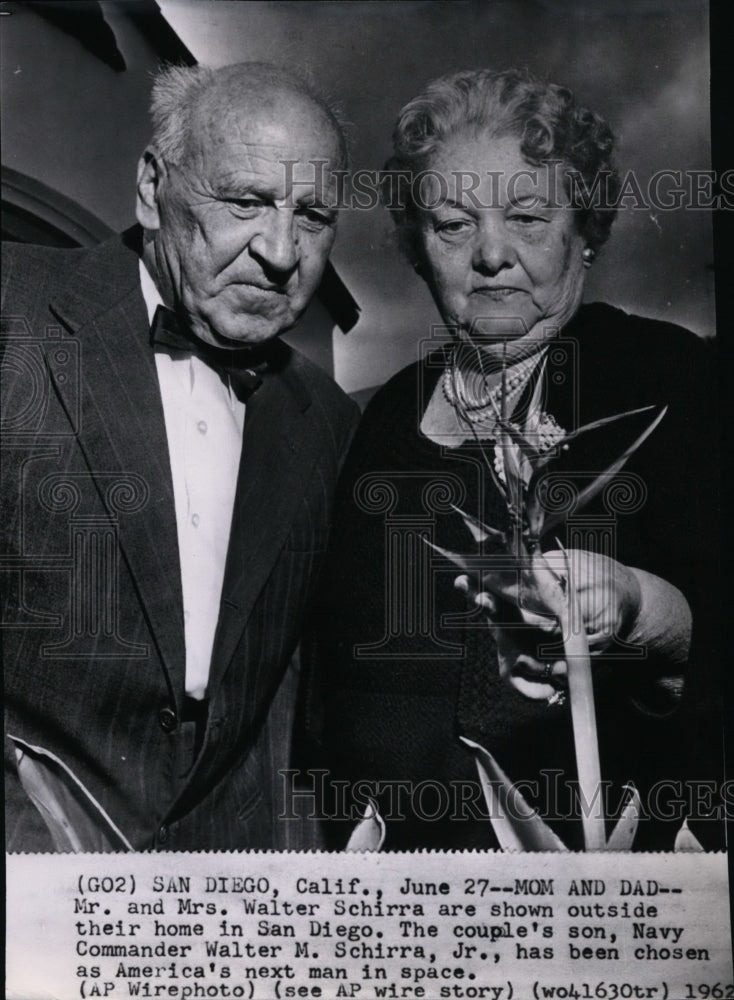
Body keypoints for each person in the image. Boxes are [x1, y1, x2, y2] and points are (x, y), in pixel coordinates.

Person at [300, 68, 721, 851]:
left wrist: (639, 607)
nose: (491, 253)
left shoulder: (673, 379)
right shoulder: (385, 414)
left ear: (583, 229)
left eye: (527, 215)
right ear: (420, 250)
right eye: (454, 224)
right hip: (388, 896)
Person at [2, 62, 359, 852]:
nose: (279, 250)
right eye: (245, 201)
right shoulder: (13, 312)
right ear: (150, 187)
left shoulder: (328, 423)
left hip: (212, 911)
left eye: (313, 216)